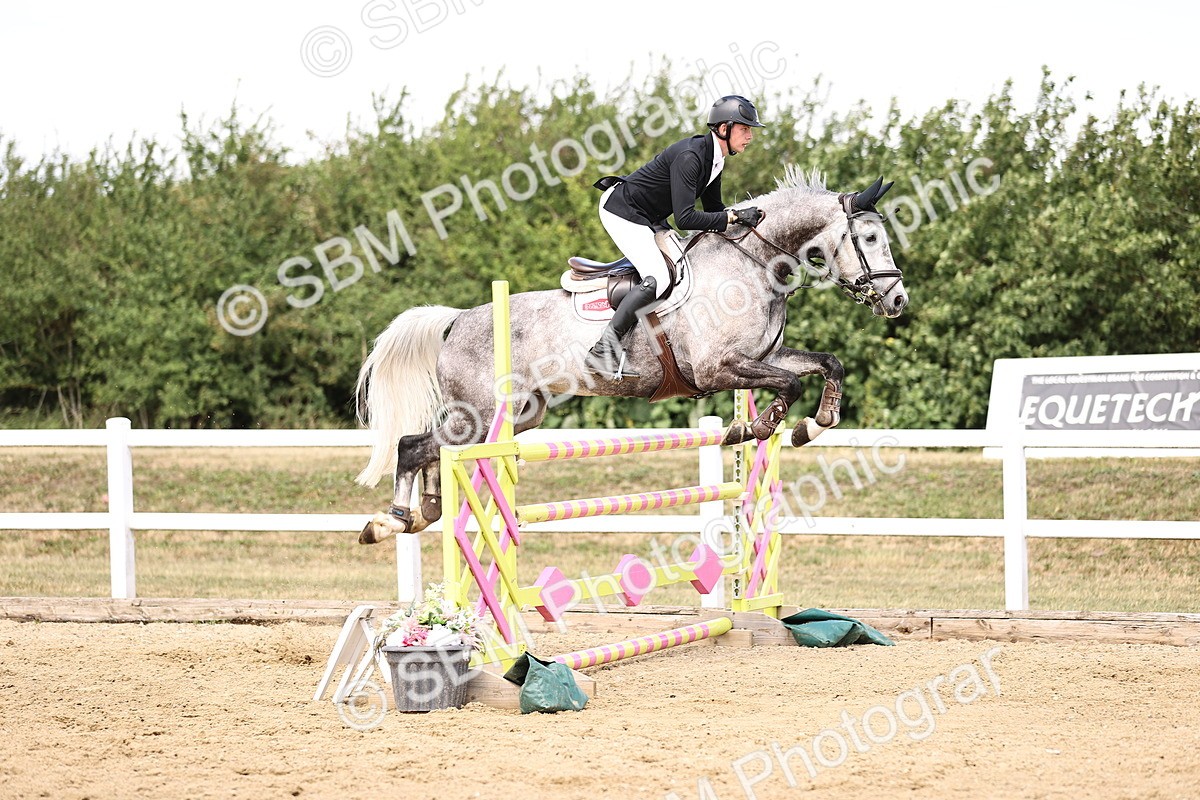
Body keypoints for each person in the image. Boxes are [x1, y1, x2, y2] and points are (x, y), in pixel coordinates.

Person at [584, 94, 766, 379]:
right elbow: (685, 218)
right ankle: (603, 349)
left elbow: (714, 211)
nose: (750, 136)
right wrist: (732, 217)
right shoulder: (691, 158)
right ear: (724, 128)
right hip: (622, 210)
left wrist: (739, 220)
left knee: (682, 268)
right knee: (658, 277)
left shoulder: (715, 160)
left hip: (649, 215)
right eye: (744, 129)